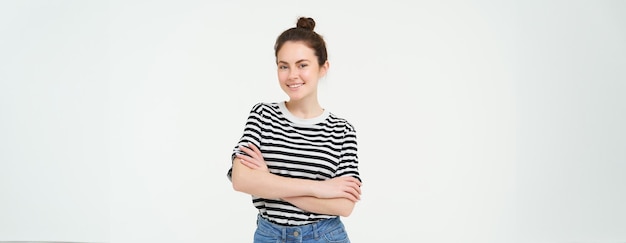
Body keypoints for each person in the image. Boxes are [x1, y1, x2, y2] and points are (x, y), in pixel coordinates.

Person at [226, 17, 362, 243]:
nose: (292, 75)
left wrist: (268, 181)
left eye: (302, 65)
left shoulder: (342, 130)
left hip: (325, 236)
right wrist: (320, 189)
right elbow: (241, 180)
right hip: (270, 235)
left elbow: (344, 205)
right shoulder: (262, 115)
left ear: (323, 68)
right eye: (283, 66)